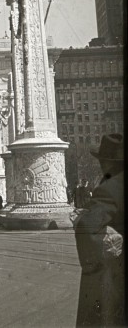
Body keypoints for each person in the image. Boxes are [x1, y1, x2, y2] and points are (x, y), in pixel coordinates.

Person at [74, 134, 124, 326]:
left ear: (107, 162)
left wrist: (81, 219)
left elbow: (89, 228)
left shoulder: (110, 188)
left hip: (115, 274)